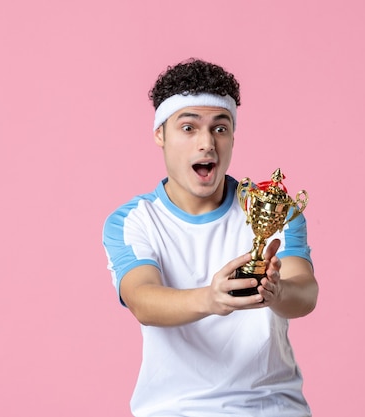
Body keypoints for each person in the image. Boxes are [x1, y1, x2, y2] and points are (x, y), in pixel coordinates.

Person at [101, 58, 318, 416]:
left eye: (220, 128)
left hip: (273, 408)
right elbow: (141, 299)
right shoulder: (133, 221)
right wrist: (212, 299)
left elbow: (305, 292)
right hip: (174, 410)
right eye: (188, 128)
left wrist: (278, 292)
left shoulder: (276, 209)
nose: (207, 144)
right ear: (161, 134)